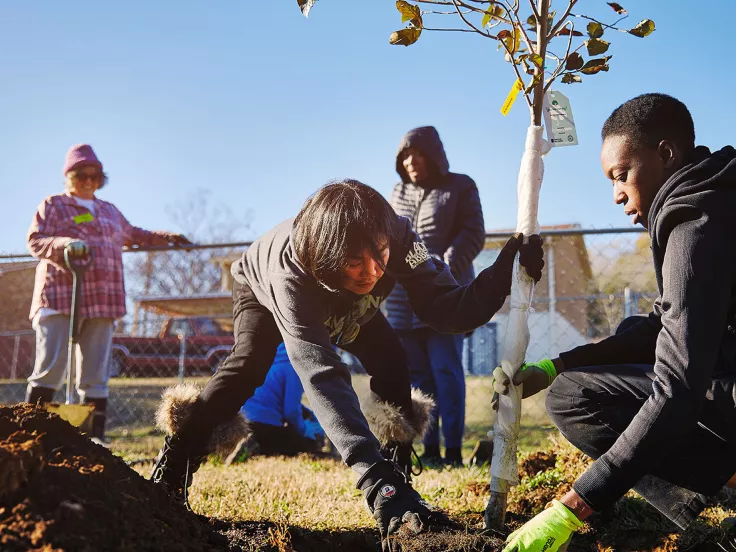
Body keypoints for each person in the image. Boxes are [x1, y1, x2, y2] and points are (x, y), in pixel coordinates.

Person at [494, 94, 736, 552]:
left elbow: (678, 388)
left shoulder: (698, 223)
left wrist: (573, 506)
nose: (616, 194)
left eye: (621, 175)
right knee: (604, 355)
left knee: (577, 399)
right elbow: (665, 325)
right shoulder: (725, 199)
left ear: (666, 154)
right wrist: (556, 364)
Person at [149, 179, 544, 551]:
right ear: (327, 256)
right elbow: (321, 374)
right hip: (262, 288)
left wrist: (501, 276)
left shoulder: (401, 237)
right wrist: (371, 480)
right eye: (356, 260)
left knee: (391, 357)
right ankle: (178, 458)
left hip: (345, 299)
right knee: (251, 364)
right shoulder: (292, 274)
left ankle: (397, 472)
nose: (373, 271)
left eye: (379, 255)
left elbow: (446, 309)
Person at [25, 144, 191, 441]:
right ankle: (30, 436)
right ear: (69, 176)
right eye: (81, 175)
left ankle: (93, 442)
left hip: (103, 300)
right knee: (50, 367)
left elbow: (136, 235)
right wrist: (64, 244)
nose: (88, 181)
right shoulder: (53, 205)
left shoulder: (109, 211)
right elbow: (36, 240)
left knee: (95, 376)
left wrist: (167, 237)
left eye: (94, 175)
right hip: (62, 296)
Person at [386, 126, 485, 466]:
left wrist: (445, 265)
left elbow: (474, 232)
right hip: (403, 303)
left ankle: (453, 451)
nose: (411, 161)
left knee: (446, 372)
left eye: (417, 153)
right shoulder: (397, 194)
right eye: (404, 156)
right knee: (418, 378)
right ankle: (428, 450)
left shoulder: (459, 186)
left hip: (445, 295)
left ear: (433, 154)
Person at [236, 343, 326, 459]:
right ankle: (257, 448)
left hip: (244, 422)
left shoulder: (269, 359)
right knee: (304, 444)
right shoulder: (294, 367)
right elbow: (291, 411)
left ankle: (251, 443)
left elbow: (274, 398)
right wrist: (304, 430)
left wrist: (308, 413)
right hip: (266, 425)